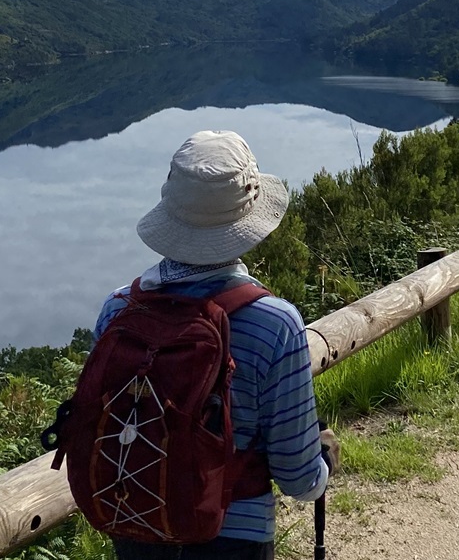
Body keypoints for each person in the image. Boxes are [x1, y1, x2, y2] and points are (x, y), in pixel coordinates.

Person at [95, 129, 339, 560]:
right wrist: (325, 461)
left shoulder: (118, 311)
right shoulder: (275, 324)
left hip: (136, 522)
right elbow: (298, 478)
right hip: (233, 540)